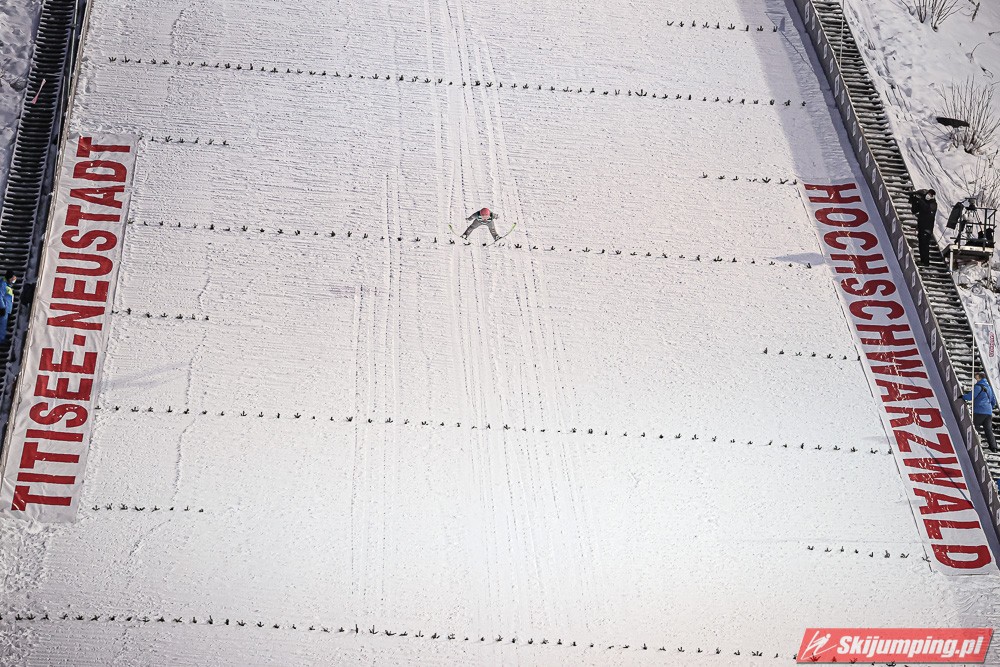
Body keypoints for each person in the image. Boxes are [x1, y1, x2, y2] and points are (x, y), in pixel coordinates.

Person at [962, 372, 998, 452]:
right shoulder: (989, 388)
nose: (975, 378)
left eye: (976, 377)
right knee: (988, 430)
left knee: (973, 427)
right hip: (988, 413)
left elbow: (970, 397)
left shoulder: (978, 387)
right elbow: (993, 401)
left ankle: (973, 444)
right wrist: (989, 408)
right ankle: (993, 447)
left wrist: (962, 396)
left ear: (979, 377)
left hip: (979, 411)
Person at [912, 189, 937, 266]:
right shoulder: (924, 202)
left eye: (930, 195)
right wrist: (914, 201)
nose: (928, 196)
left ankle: (925, 262)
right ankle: (923, 260)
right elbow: (914, 210)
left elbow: (927, 209)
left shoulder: (933, 204)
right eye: (928, 194)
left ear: (933, 196)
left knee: (925, 245)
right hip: (921, 227)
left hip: (927, 228)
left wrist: (920, 200)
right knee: (921, 245)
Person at [0, 272, 15, 344]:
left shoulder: (6, 284)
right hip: (3, 308)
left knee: (3, 324)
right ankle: (1, 340)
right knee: (2, 325)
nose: (13, 279)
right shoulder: (3, 284)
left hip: (6, 308)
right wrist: (2, 307)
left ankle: (2, 339)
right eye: (12, 278)